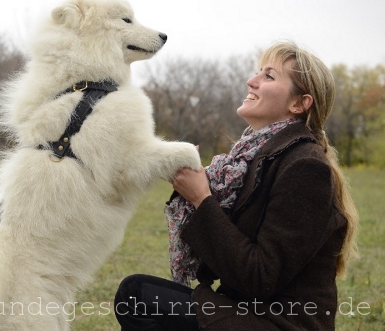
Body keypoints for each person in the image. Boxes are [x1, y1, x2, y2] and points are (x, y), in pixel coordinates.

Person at [113, 41, 359, 331]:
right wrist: (194, 184)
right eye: (258, 72)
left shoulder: (305, 167)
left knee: (137, 295)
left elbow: (259, 277)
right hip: (247, 311)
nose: (251, 80)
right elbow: (225, 259)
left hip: (277, 322)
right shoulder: (256, 158)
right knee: (136, 294)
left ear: (299, 104)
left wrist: (202, 198)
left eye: (269, 76)